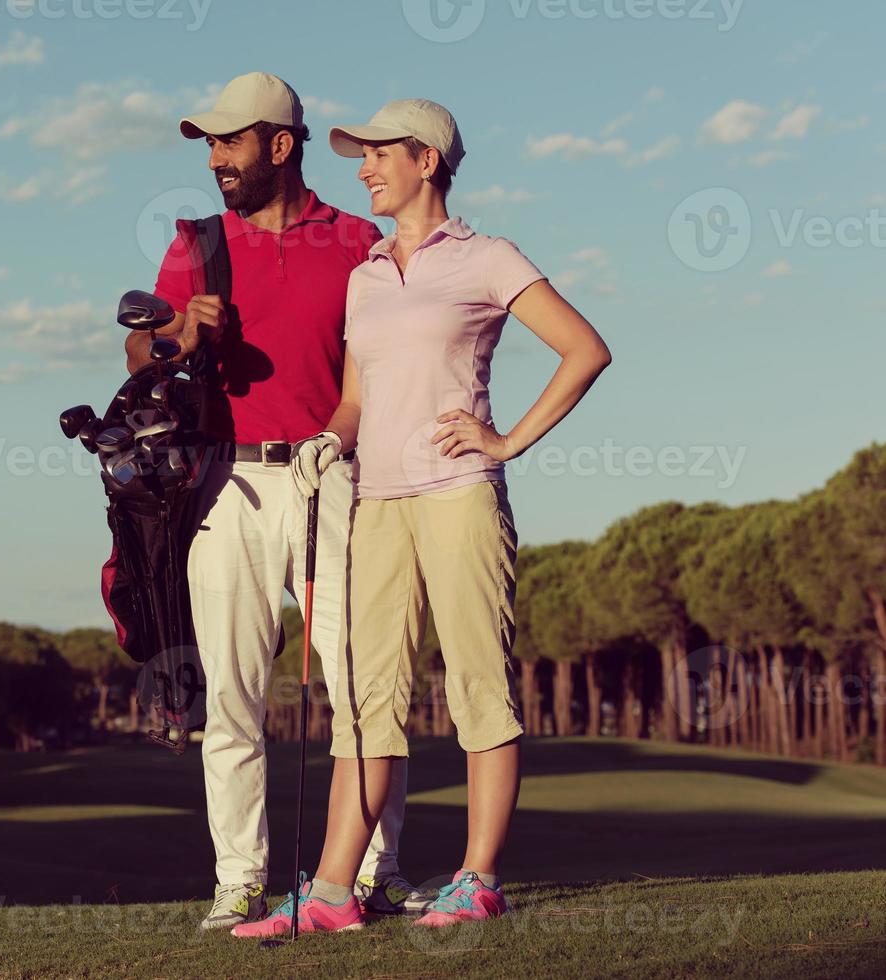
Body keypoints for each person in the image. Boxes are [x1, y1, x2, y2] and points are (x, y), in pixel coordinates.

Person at [233, 98, 613, 938]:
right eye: (359, 157)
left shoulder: (486, 257)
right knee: (365, 700)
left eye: (376, 155)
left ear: (426, 161)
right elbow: (359, 398)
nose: (363, 169)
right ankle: (333, 891)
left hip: (458, 496)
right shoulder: (365, 276)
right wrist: (325, 442)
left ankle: (478, 878)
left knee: (479, 684)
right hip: (377, 504)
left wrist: (505, 439)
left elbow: (585, 349)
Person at [126, 73, 429, 930]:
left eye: (231, 141)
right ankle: (239, 877)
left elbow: (387, 365)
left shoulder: (360, 241)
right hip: (225, 482)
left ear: (281, 145)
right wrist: (178, 335)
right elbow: (138, 352)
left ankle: (371, 871)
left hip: (333, 474)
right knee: (231, 693)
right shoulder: (196, 243)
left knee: (363, 684)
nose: (217, 158)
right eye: (210, 145)